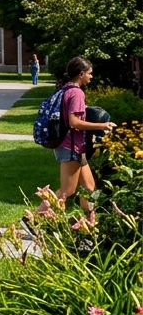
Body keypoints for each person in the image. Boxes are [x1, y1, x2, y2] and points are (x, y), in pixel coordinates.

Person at [39, 57, 116, 219]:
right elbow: (74, 123)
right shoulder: (76, 93)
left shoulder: (66, 89)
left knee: (89, 188)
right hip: (70, 146)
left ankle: (90, 224)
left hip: (75, 147)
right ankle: (33, 219)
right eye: (89, 73)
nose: (91, 76)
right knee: (67, 191)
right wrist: (102, 126)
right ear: (81, 74)